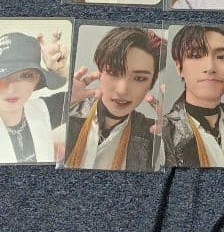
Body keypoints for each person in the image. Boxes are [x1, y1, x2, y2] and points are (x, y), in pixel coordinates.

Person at [63, 27, 163, 171]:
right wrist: (57, 107)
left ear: (150, 84)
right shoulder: (67, 112)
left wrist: (173, 144)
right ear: (100, 72)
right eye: (114, 72)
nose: (122, 90)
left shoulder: (153, 134)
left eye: (139, 78)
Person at [0, 31, 70, 164]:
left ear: (37, 80)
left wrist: (60, 69)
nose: (11, 89)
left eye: (25, 76)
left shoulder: (43, 109)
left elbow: (75, 96)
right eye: (0, 76)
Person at [162, 26, 224, 168]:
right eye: (196, 55)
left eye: (222, 57)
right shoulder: (165, 132)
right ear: (179, 67)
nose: (210, 67)